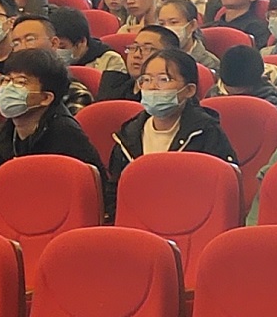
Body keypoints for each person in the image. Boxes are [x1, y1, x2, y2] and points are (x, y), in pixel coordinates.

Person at [100, 46, 238, 209]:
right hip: (138, 216)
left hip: (190, 214)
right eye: (147, 79)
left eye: (163, 80)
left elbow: (221, 190)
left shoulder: (206, 132)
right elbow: (115, 192)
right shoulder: (128, 134)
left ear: (189, 90)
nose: (152, 87)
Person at [0, 47, 102, 175]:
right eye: (7, 80)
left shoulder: (65, 135)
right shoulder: (2, 133)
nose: (8, 88)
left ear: (46, 98)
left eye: (21, 82)